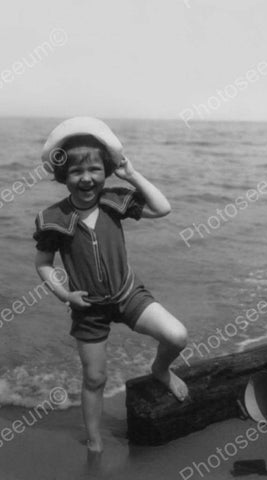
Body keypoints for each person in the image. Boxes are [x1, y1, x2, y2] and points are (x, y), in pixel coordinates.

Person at [33, 117, 189, 454]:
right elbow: (43, 264)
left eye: (94, 169)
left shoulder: (114, 201)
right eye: (76, 172)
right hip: (88, 308)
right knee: (94, 379)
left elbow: (163, 208)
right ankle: (95, 443)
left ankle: (160, 370)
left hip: (128, 293)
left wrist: (130, 174)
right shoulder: (53, 218)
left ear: (106, 170)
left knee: (177, 335)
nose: (86, 178)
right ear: (63, 176)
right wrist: (64, 294)